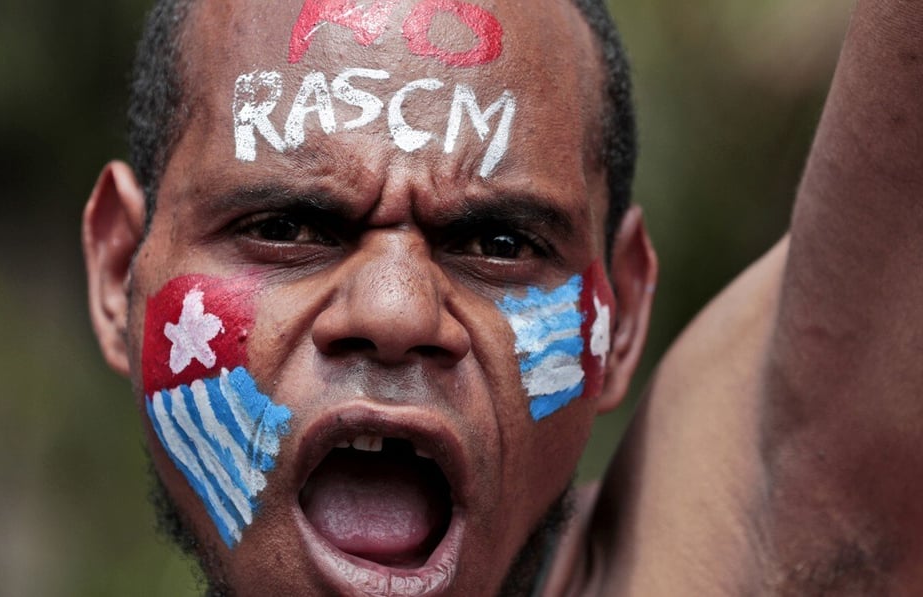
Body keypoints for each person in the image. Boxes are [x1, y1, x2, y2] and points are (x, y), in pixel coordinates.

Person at [81, 0, 923, 594]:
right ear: (120, 268)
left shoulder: (727, 554)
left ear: (622, 315)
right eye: (291, 226)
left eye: (499, 244)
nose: (396, 313)